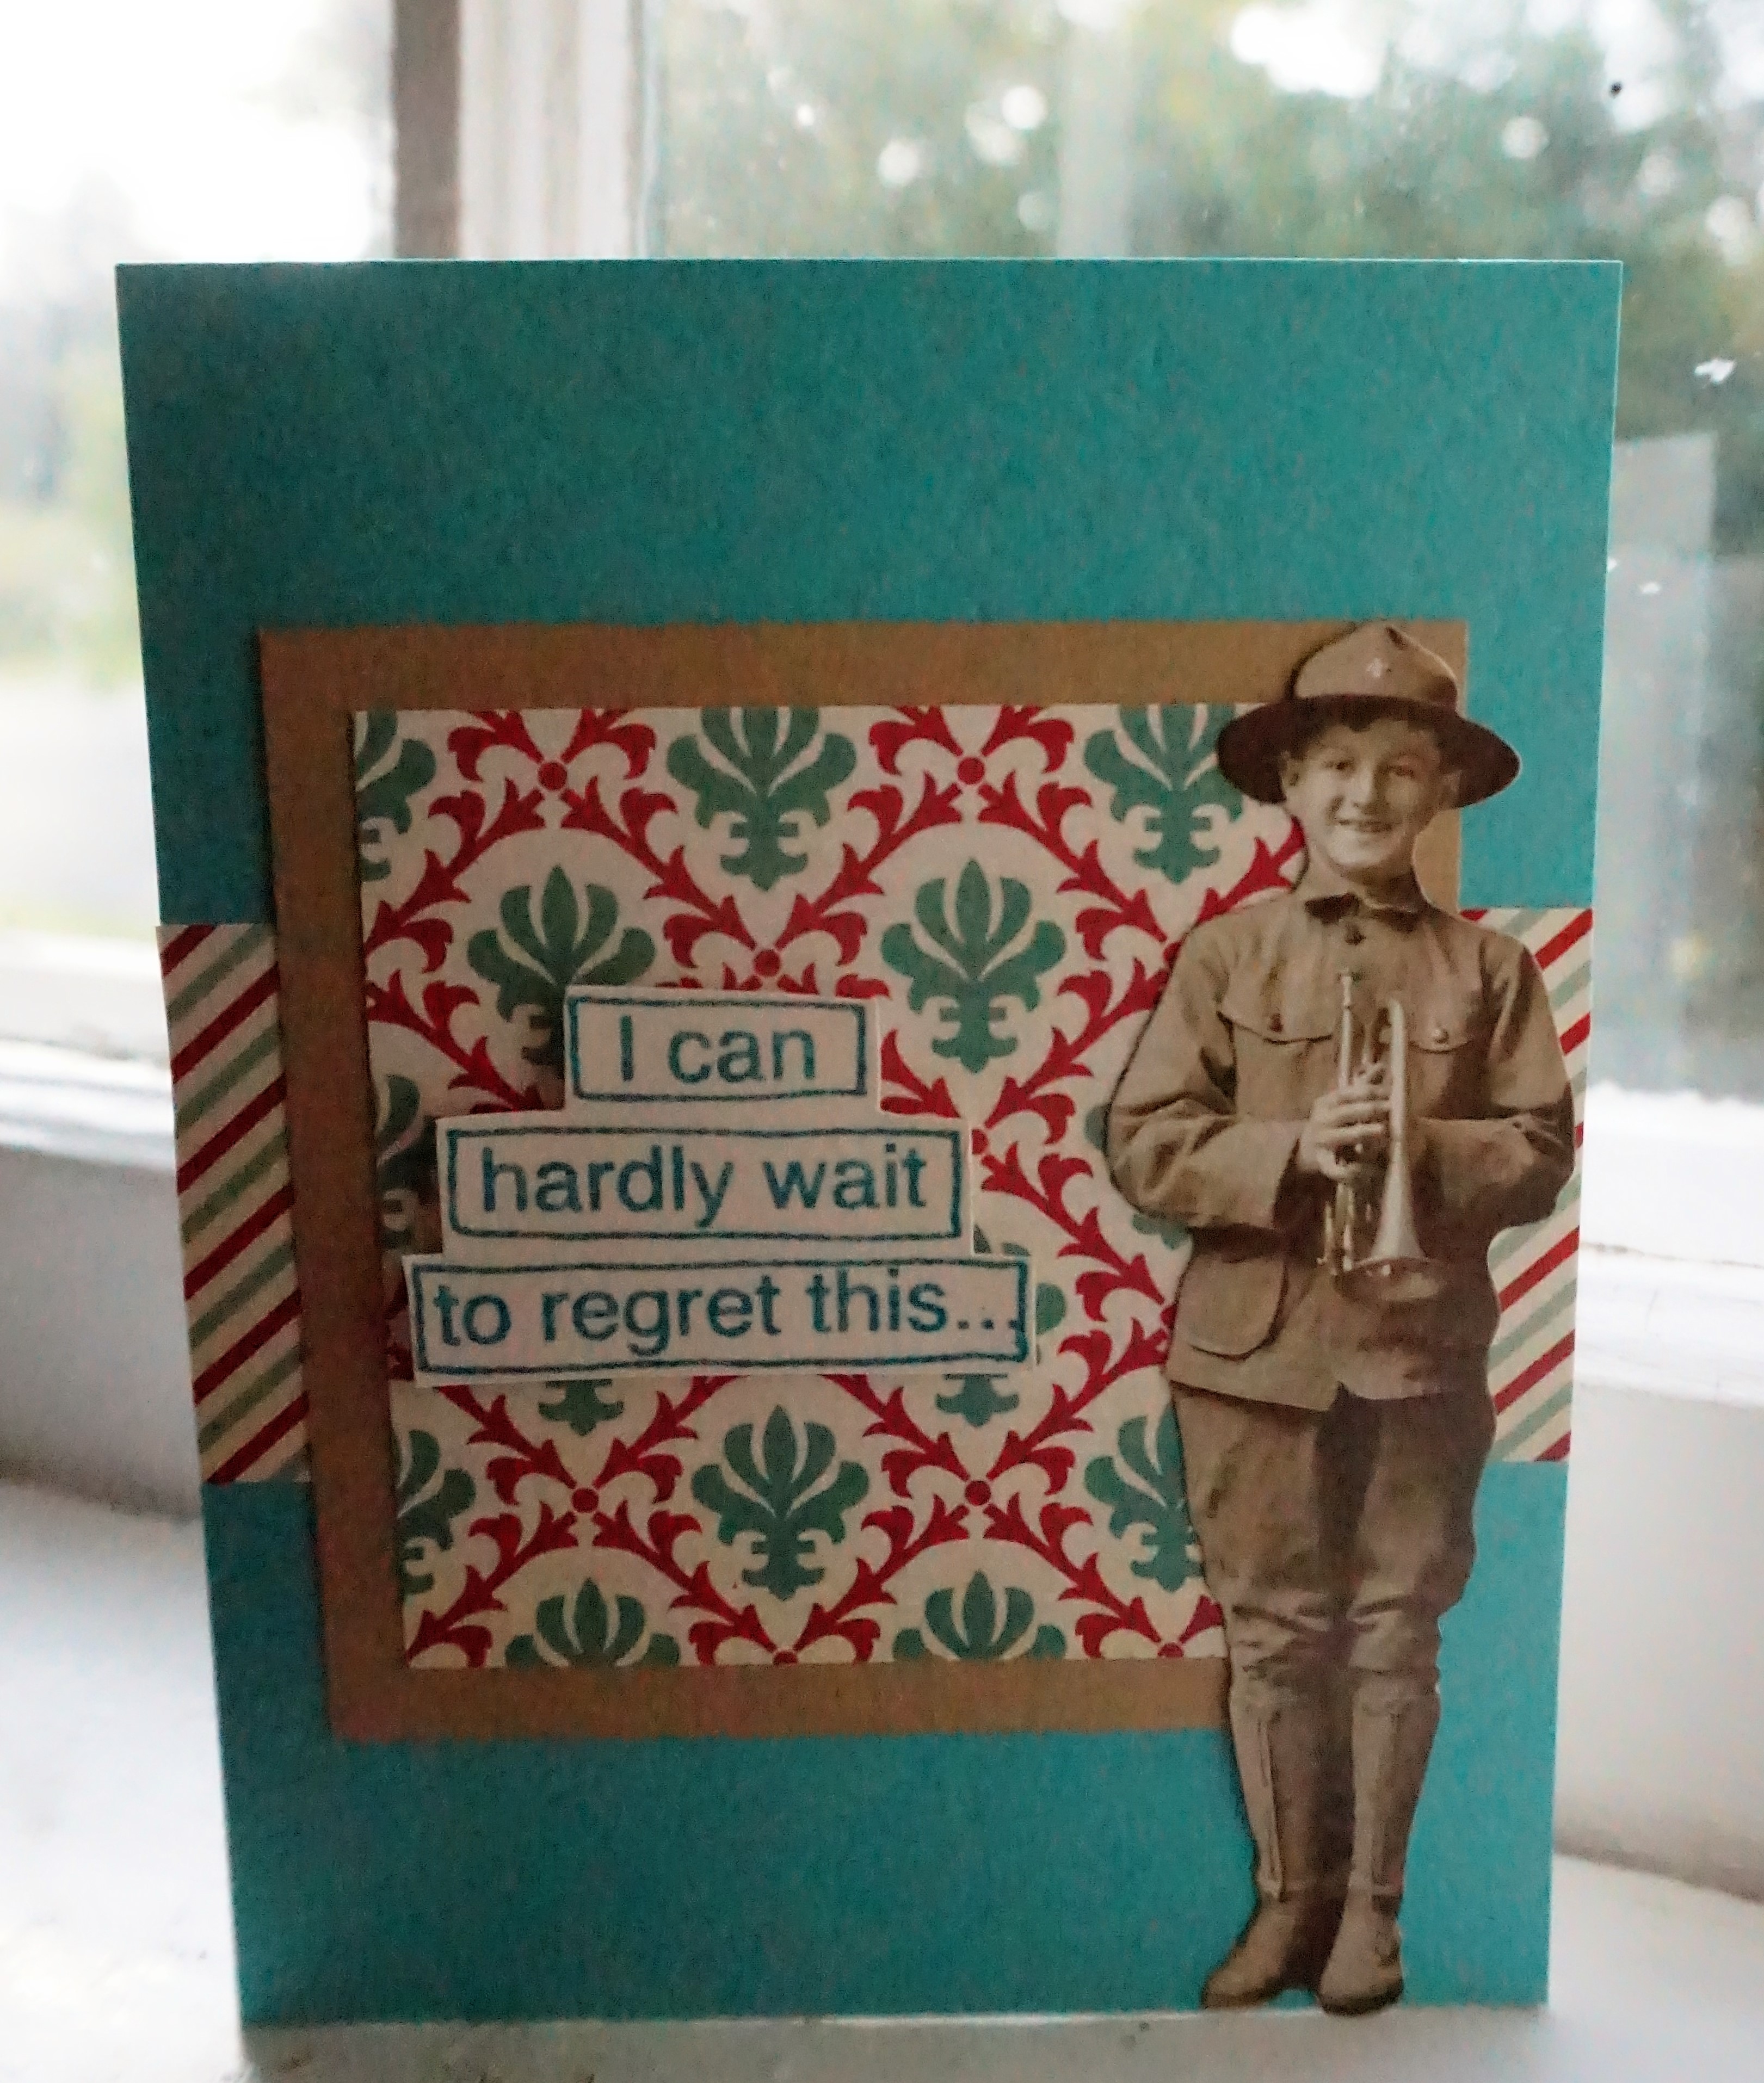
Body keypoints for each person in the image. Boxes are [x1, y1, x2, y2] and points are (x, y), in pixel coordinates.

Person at [1107, 622, 1574, 2017]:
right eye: (1336, 766)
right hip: (1249, 1358)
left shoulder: (1491, 972)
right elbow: (1145, 1140)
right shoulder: (1225, 955)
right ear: (1290, 785)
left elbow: (1539, 1152)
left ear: (1442, 792)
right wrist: (1291, 1151)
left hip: (1417, 1354)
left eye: (1399, 769)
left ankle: (1374, 1909)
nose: (1365, 794)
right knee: (1271, 1636)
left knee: (1392, 1637)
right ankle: (1285, 1903)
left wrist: (1419, 1150)